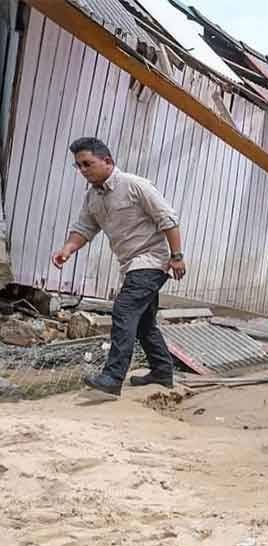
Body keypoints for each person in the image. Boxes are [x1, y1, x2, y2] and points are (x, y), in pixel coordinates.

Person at [51, 137, 185, 396]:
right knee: (144, 323)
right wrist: (67, 249)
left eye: (87, 164)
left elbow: (167, 218)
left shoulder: (135, 185)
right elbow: (85, 228)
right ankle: (161, 371)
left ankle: (113, 377)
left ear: (107, 161)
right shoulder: (93, 197)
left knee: (123, 310)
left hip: (151, 261)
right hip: (130, 265)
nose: (83, 170)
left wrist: (177, 256)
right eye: (78, 166)